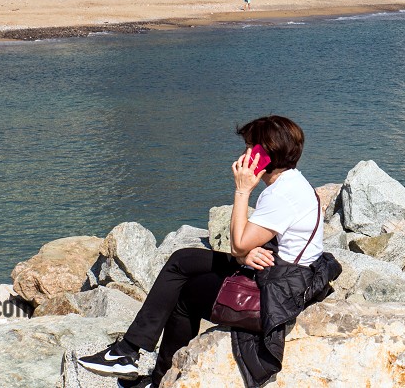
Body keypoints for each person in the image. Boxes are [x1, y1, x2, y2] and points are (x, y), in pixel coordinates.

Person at [78, 116, 337, 386]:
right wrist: (242, 255)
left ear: (264, 152)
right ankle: (128, 354)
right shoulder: (292, 183)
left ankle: (150, 372)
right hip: (281, 275)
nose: (243, 154)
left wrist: (242, 190)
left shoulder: (281, 195)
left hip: (278, 295)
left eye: (249, 147)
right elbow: (250, 244)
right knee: (182, 260)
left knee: (187, 293)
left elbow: (239, 241)